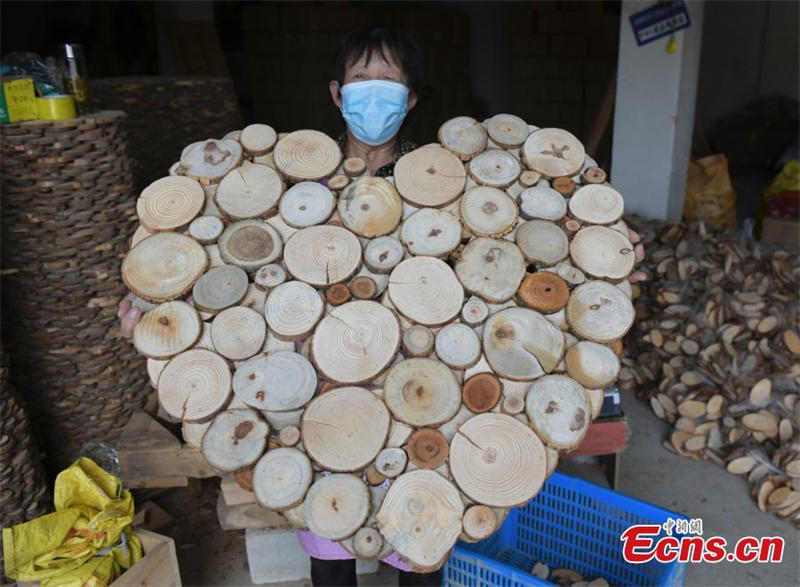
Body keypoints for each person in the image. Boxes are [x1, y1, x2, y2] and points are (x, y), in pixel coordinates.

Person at [116, 22, 646, 587]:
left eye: (388, 81)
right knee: (330, 543)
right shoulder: (294, 184)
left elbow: (518, 261)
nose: (373, 91)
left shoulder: (453, 180)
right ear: (336, 93)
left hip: (428, 395)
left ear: (411, 97)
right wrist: (156, 301)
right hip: (321, 388)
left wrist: (602, 260)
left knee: (421, 547)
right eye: (360, 78)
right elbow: (220, 270)